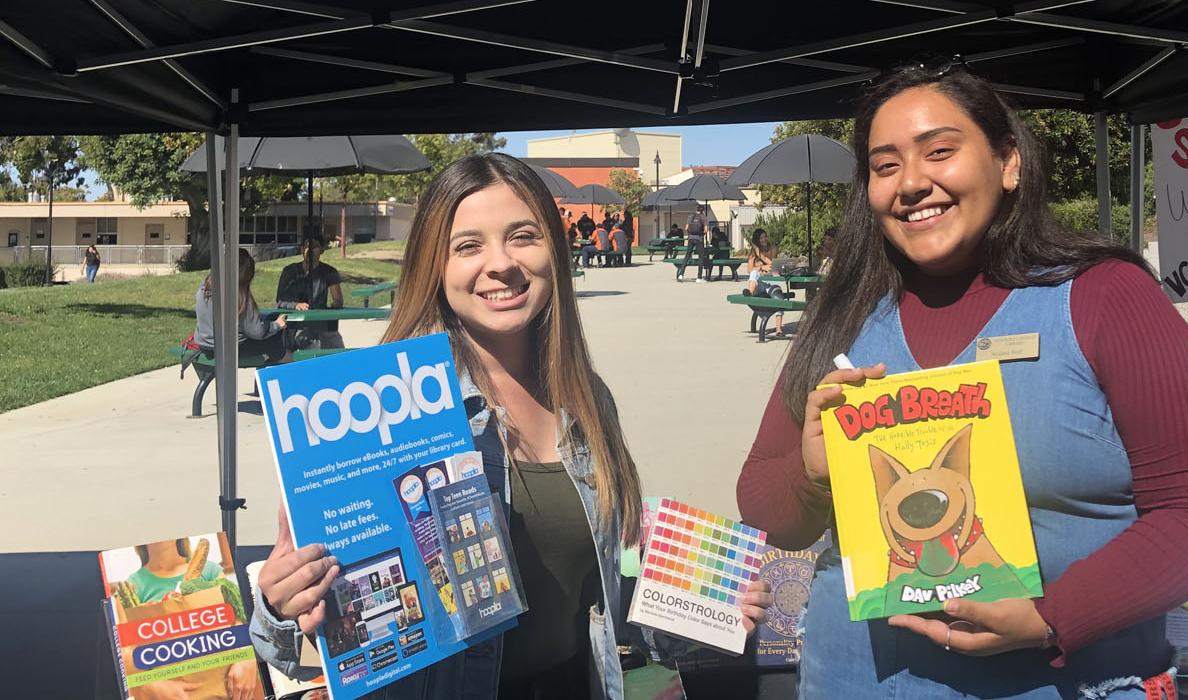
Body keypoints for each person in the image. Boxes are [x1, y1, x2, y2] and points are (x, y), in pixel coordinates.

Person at [736, 64, 1188, 698]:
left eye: (940, 152)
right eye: (885, 166)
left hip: (1062, 679)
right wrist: (811, 475)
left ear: (1009, 163)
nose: (913, 183)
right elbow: (767, 509)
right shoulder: (844, 315)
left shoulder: (1106, 296)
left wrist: (1055, 616)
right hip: (853, 679)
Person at [249, 153, 772, 699]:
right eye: (468, 245)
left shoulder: (589, 400)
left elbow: (608, 605)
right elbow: (307, 634)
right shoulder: (384, 411)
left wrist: (704, 608)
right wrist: (281, 605)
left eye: (522, 236)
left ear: (555, 247)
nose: (500, 264)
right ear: (435, 265)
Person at [124, 538, 260, 700]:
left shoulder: (209, 570)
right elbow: (127, 652)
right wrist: (151, 685)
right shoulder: (132, 586)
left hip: (230, 689)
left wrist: (247, 657)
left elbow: (239, 617)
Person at [195, 248, 289, 363]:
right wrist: (277, 325)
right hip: (231, 349)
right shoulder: (240, 297)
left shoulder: (204, 288)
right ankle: (294, 368)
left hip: (206, 346)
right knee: (274, 345)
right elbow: (257, 332)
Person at [275, 237, 345, 349]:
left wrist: (336, 303)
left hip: (321, 322)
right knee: (310, 345)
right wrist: (296, 305)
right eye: (307, 246)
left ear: (322, 250)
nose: (309, 250)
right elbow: (280, 301)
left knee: (338, 348)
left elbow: (338, 299)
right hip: (295, 324)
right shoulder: (290, 271)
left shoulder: (329, 271)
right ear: (302, 249)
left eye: (315, 246)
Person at [746, 228, 785, 338]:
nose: (764, 239)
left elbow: (774, 265)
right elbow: (749, 269)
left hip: (771, 280)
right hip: (759, 282)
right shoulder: (753, 252)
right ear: (757, 240)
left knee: (779, 297)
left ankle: (779, 329)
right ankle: (749, 293)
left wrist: (762, 256)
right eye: (761, 238)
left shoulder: (772, 248)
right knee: (754, 273)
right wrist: (761, 267)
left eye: (765, 237)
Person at [685, 204, 709, 282]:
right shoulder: (703, 217)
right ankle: (699, 277)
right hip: (699, 239)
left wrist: (690, 234)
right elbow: (706, 230)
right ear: (703, 210)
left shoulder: (691, 216)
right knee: (701, 258)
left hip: (691, 239)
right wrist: (702, 234)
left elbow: (686, 228)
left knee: (687, 256)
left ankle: (681, 274)